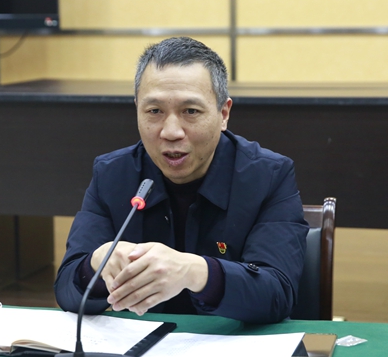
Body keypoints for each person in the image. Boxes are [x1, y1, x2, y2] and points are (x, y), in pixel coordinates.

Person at [54, 37, 309, 323]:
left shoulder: (268, 176)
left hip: (230, 345)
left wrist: (195, 272)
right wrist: (95, 265)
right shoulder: (112, 174)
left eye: (190, 111)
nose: (171, 132)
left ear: (223, 114)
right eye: (154, 111)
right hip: (142, 347)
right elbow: (66, 291)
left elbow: (277, 294)